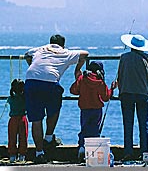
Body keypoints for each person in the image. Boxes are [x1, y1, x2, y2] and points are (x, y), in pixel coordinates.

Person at [24, 34, 89, 164]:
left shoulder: (40, 49)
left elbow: (27, 54)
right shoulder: (65, 52)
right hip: (50, 82)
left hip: (31, 81)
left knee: (36, 120)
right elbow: (85, 54)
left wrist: (32, 65)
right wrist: (77, 69)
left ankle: (39, 153)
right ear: (63, 44)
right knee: (54, 109)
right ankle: (48, 138)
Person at [117, 34, 148, 161]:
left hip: (126, 93)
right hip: (143, 94)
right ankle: (144, 152)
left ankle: (128, 152)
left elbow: (120, 75)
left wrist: (120, 90)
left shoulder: (123, 57)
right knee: (143, 124)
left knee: (127, 124)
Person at [70, 61, 116, 162]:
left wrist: (77, 78)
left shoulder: (82, 79)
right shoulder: (100, 81)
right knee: (94, 131)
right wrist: (112, 89)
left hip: (84, 109)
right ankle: (92, 154)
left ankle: (82, 147)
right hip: (96, 110)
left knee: (84, 129)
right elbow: (106, 97)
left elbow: (73, 90)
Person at [7, 79, 28, 163]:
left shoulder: (11, 98)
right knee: (23, 137)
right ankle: (22, 156)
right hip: (22, 118)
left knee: (12, 137)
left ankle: (12, 156)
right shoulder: (25, 98)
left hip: (13, 119)